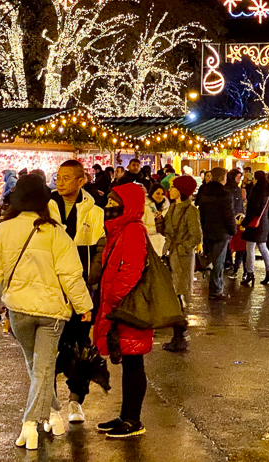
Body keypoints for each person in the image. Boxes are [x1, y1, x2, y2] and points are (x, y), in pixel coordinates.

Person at [0, 174, 94, 450]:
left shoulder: (2, 230)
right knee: (42, 367)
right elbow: (71, 274)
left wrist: (7, 285)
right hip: (52, 311)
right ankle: (37, 420)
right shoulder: (56, 232)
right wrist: (84, 305)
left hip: (18, 308)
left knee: (36, 366)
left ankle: (46, 417)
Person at [92, 184, 152, 438]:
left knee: (134, 363)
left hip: (128, 308)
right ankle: (126, 415)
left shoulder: (133, 230)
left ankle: (133, 419)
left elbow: (131, 270)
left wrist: (114, 299)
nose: (108, 207)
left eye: (114, 202)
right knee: (129, 363)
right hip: (119, 307)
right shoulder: (120, 229)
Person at [50, 160, 104, 423]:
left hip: (81, 287)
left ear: (81, 181)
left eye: (67, 178)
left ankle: (76, 400)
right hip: (51, 288)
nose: (60, 182)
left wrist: (90, 280)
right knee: (48, 346)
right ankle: (48, 403)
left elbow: (98, 248)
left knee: (80, 346)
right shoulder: (47, 207)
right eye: (58, 177)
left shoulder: (93, 209)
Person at [160, 175, 203, 352]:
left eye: (173, 187)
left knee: (178, 294)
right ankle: (178, 333)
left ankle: (179, 335)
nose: (169, 190)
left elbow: (196, 236)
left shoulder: (190, 210)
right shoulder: (172, 207)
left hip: (181, 257)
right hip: (171, 253)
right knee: (173, 294)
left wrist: (183, 248)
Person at [197, 167, 235, 300]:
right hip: (221, 232)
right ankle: (216, 290)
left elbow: (201, 212)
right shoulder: (224, 193)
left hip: (208, 230)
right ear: (223, 177)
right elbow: (228, 215)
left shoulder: (205, 191)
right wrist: (233, 230)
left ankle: (214, 288)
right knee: (219, 262)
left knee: (212, 260)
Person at [242, 170, 269, 286]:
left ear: (256, 179)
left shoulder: (257, 192)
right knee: (263, 247)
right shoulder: (268, 191)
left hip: (254, 223)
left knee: (250, 248)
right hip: (264, 222)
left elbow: (252, 210)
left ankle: (250, 273)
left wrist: (244, 223)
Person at [144, 183, 169, 257]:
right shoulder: (145, 206)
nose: (160, 196)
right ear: (151, 193)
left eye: (162, 194)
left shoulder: (166, 208)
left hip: (162, 242)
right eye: (157, 193)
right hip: (148, 240)